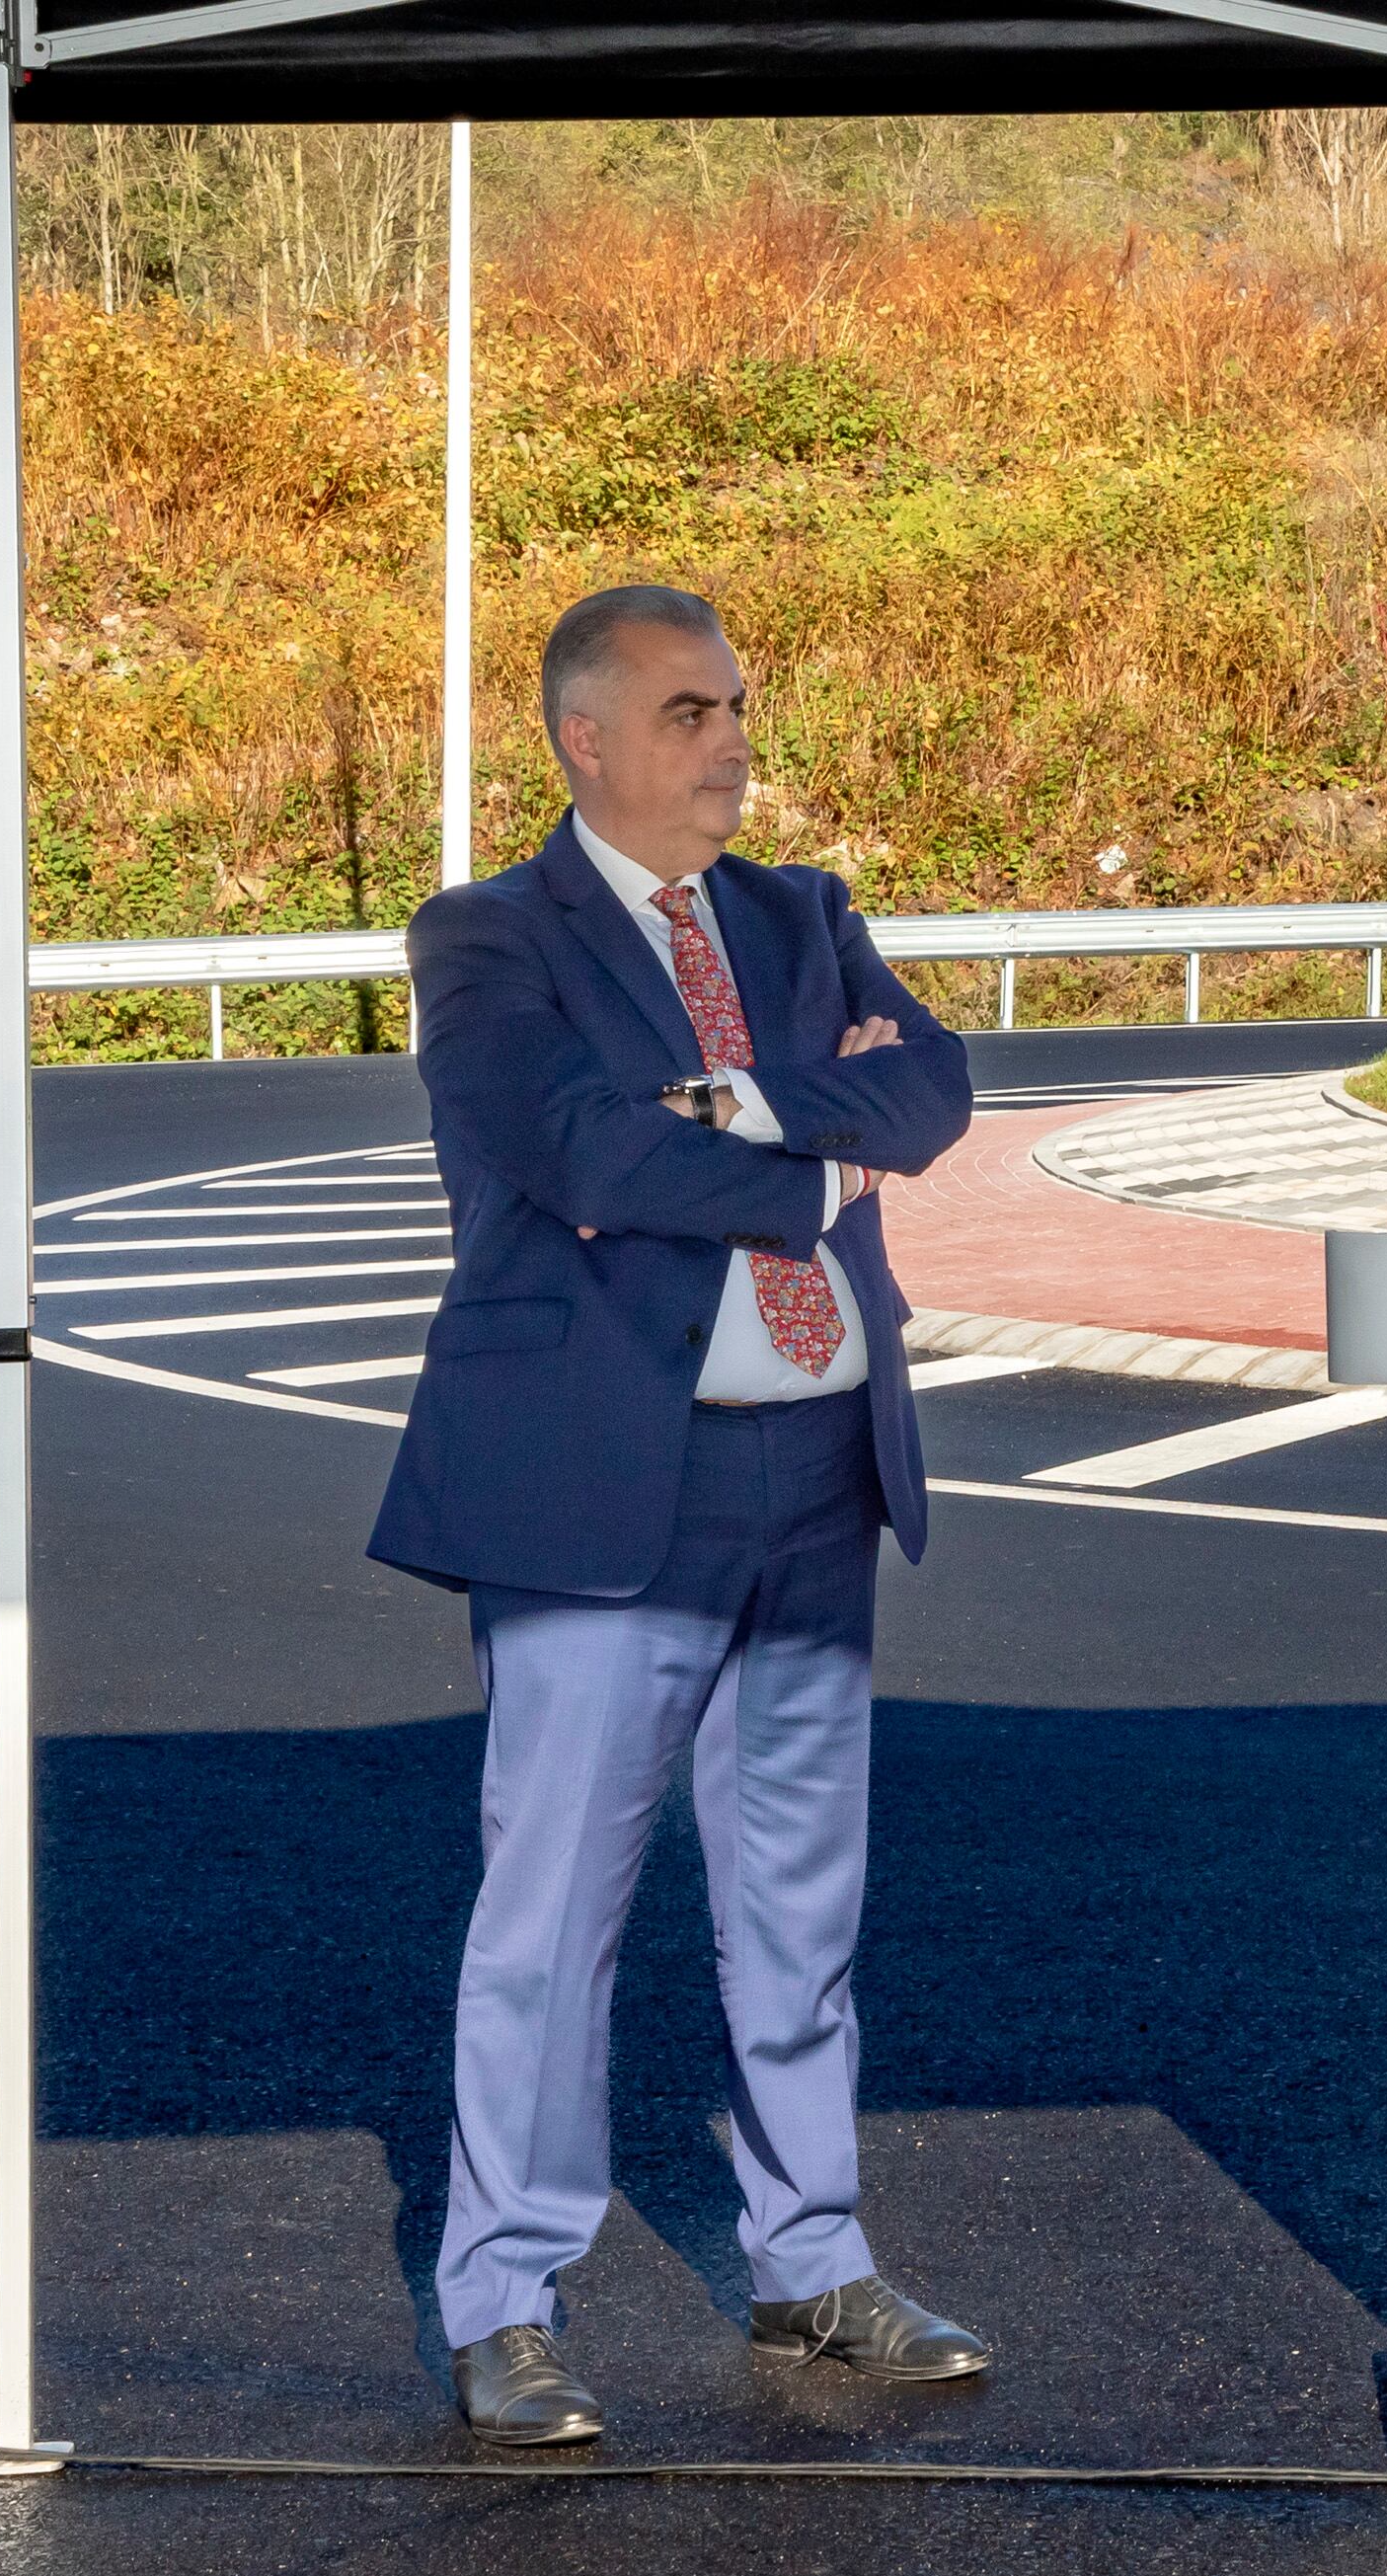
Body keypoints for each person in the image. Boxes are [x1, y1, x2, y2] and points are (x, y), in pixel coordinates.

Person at [369, 583, 985, 2449]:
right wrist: (808, 1142)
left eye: (737, 706)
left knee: (800, 1909)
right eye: (694, 712)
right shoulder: (487, 939)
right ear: (588, 741)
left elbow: (938, 1094)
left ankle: (809, 2261)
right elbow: (573, 1149)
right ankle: (504, 2299)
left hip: (816, 1481)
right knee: (553, 1915)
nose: (733, 742)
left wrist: (722, 1096)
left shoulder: (805, 916)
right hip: (597, 1495)